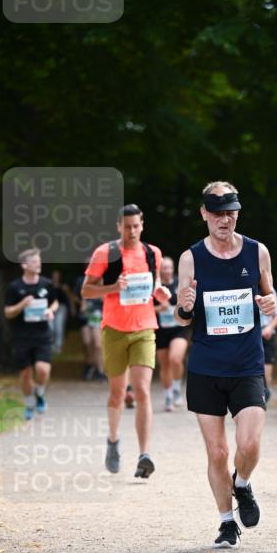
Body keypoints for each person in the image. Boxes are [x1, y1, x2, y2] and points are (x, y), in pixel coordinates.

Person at [174, 181, 275, 548]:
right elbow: (182, 316)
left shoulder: (257, 251)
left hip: (247, 364)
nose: (224, 219)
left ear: (237, 213)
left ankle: (242, 484)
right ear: (204, 214)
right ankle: (226, 523)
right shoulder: (190, 258)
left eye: (230, 212)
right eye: (217, 213)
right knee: (217, 452)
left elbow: (269, 295)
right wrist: (185, 307)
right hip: (206, 366)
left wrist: (269, 303)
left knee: (249, 444)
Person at [81, 204, 171, 478]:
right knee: (118, 392)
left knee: (142, 390)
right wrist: (112, 287)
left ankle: (144, 455)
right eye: (127, 226)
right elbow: (86, 291)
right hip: (114, 329)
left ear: (142, 225)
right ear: (118, 226)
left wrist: (161, 293)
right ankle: (113, 440)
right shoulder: (105, 253)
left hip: (144, 328)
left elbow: (154, 286)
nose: (132, 231)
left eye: (136, 226)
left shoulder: (152, 253)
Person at [4, 248, 59, 420]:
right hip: (21, 336)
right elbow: (8, 312)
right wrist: (22, 305)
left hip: (42, 334)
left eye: (39, 261)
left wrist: (50, 310)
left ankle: (40, 394)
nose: (38, 264)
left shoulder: (46, 284)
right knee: (26, 373)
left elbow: (55, 302)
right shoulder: (14, 287)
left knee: (43, 370)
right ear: (24, 265)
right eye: (34, 262)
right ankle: (29, 404)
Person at [154, 255, 189, 411]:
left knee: (175, 359)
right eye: (164, 268)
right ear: (159, 269)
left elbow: (189, 304)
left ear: (173, 269)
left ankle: (176, 387)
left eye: (169, 267)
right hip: (161, 331)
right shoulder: (155, 287)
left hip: (178, 329)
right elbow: (145, 309)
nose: (167, 271)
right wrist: (159, 308)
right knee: (165, 365)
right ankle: (168, 396)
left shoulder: (179, 284)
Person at [73, 270, 104, 380]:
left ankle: (100, 370)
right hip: (86, 317)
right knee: (87, 342)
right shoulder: (85, 286)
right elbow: (82, 305)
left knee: (98, 344)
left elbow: (107, 301)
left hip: (98, 317)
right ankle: (90, 364)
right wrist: (83, 306)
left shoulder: (104, 286)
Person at [261, 287, 277, 402]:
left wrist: (269, 328)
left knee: (266, 371)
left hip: (266, 334)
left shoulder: (269, 290)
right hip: (248, 336)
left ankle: (265, 394)